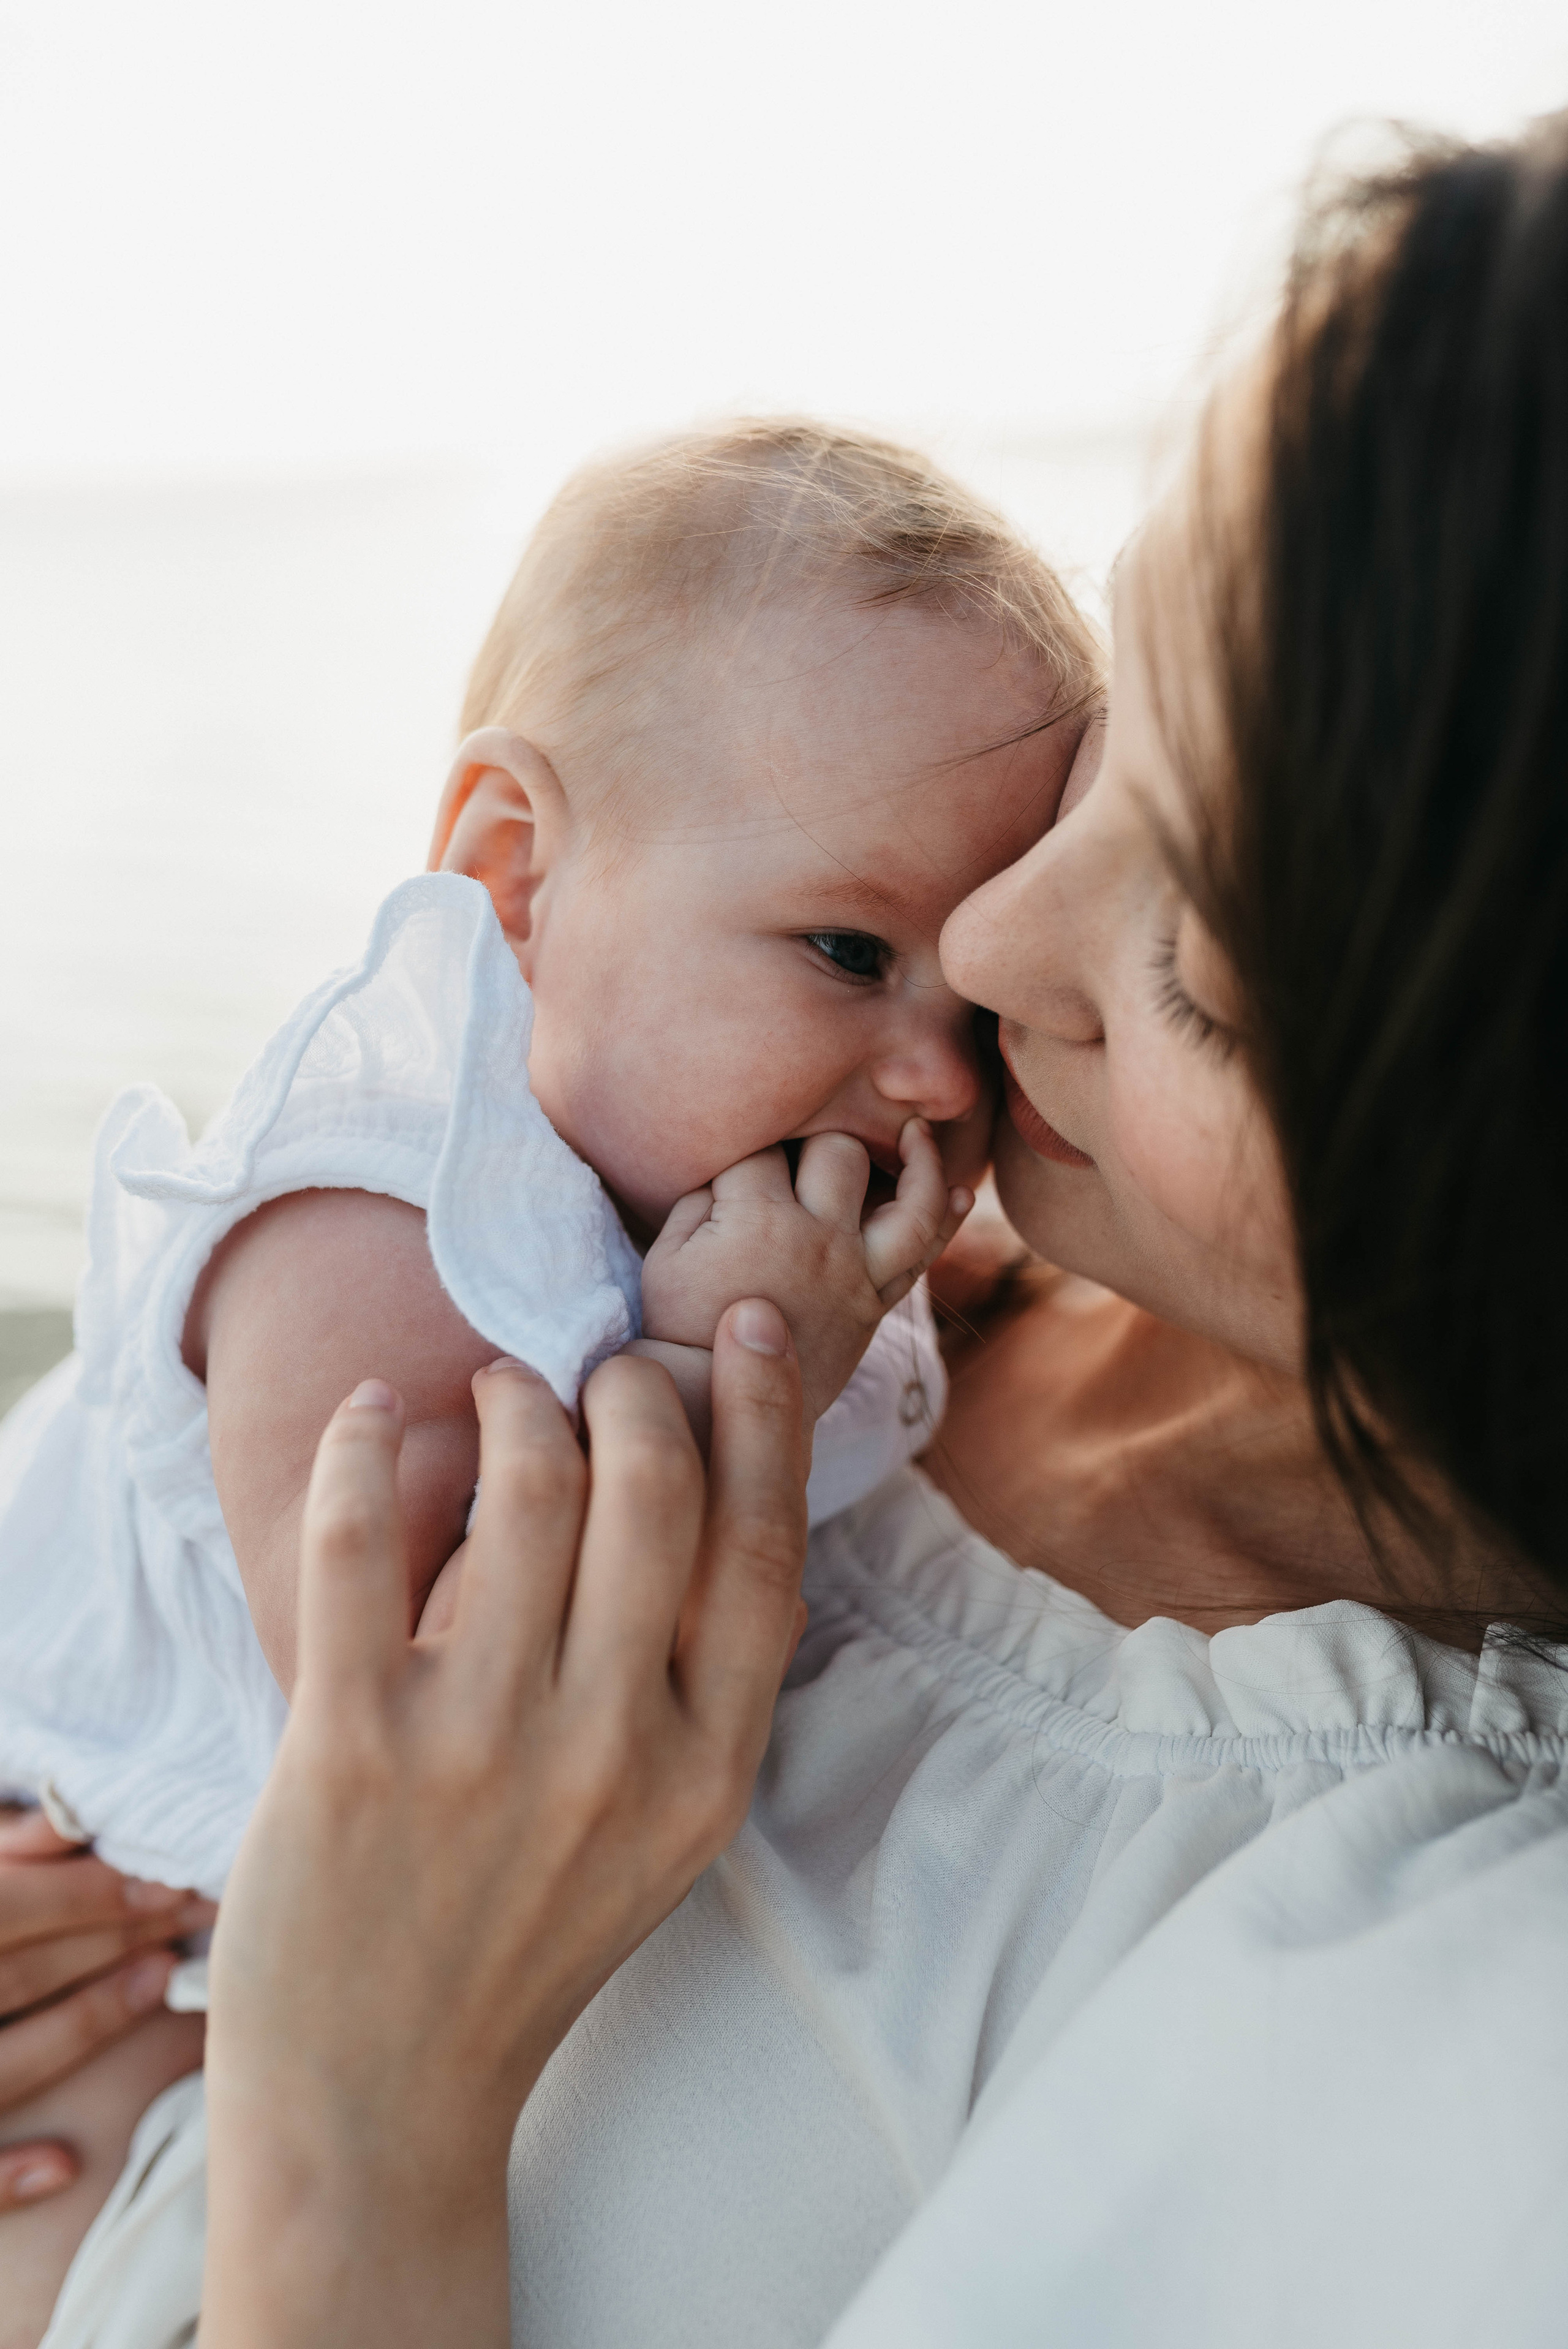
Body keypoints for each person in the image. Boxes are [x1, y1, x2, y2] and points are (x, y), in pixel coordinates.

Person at [13, 112, 1568, 2348]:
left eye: (1202, 963)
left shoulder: (1399, 2009)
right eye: (1125, 731)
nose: (1000, 946)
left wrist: (357, 2124)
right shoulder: (894, 1255)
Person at [0, 421, 1098, 2338]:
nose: (937, 1075)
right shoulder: (378, 1208)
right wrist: (715, 1360)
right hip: (103, 1891)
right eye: (850, 948)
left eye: (985, 1014)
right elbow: (433, 1677)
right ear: (514, 877)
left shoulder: (703, 1155)